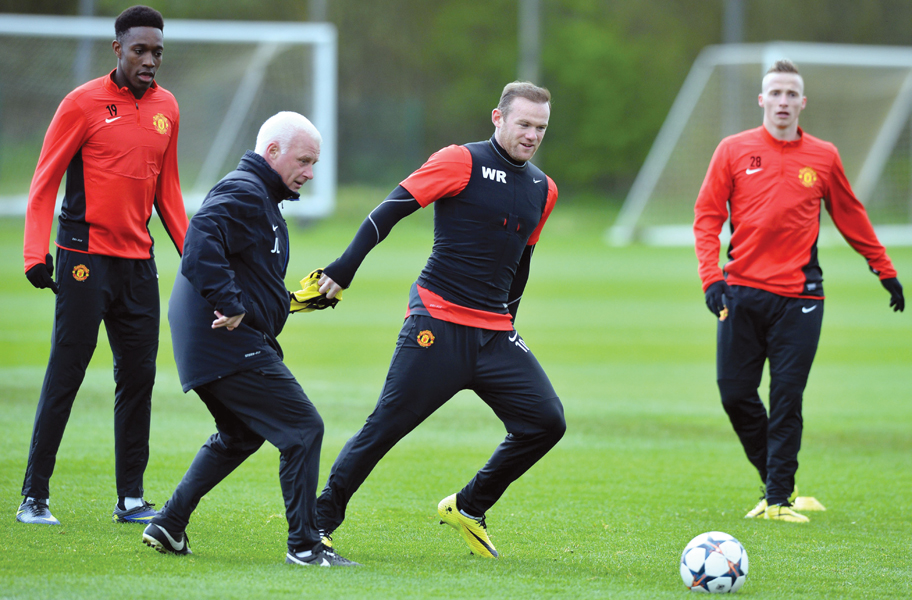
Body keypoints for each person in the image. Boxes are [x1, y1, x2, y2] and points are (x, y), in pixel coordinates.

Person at [313, 81, 566, 558]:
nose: (533, 135)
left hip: (494, 335)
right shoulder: (460, 161)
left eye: (541, 127)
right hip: (438, 323)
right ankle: (318, 525)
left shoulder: (543, 189)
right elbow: (389, 211)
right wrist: (343, 269)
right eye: (524, 124)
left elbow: (521, 262)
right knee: (384, 427)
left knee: (546, 422)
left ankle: (469, 506)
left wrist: (509, 319)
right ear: (498, 117)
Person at [141, 111, 357, 568]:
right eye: (304, 160)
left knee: (240, 435)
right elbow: (199, 236)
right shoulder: (243, 190)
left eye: (314, 162)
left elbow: (251, 280)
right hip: (223, 341)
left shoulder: (263, 199)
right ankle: (304, 546)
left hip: (215, 342)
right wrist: (229, 302)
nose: (311, 172)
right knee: (303, 429)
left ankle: (169, 523)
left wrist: (293, 301)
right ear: (272, 152)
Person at [694, 59, 904, 523]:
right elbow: (707, 217)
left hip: (802, 297)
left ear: (803, 102)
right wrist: (712, 278)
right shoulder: (733, 150)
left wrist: (882, 268)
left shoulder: (824, 156)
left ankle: (778, 499)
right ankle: (775, 482)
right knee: (734, 393)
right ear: (762, 100)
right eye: (776, 93)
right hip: (741, 292)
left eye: (792, 94)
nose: (784, 101)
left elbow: (851, 215)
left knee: (788, 396)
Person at [18, 5, 187, 526]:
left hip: (140, 265)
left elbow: (170, 193)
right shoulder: (82, 103)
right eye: (140, 49)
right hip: (84, 260)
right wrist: (34, 251)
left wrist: (198, 260)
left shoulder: (167, 109)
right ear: (118, 49)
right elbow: (44, 180)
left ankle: (131, 499)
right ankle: (34, 498)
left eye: (157, 51)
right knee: (65, 374)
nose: (150, 60)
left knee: (137, 379)